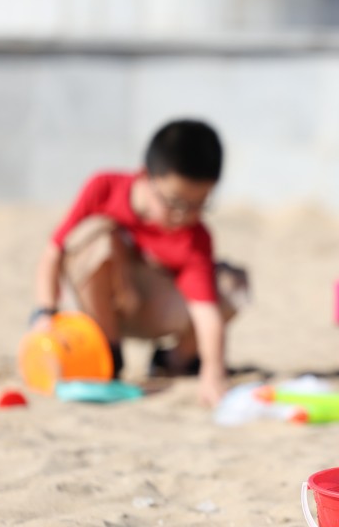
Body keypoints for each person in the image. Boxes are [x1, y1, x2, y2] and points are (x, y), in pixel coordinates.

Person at [31, 119, 248, 407]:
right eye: (175, 202)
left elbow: (206, 312)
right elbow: (53, 251)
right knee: (95, 236)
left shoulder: (193, 236)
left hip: (155, 309)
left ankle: (174, 360)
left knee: (232, 284)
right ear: (147, 176)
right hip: (97, 305)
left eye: (199, 205)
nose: (184, 215)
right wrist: (46, 312)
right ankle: (109, 353)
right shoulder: (104, 188)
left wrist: (213, 371)